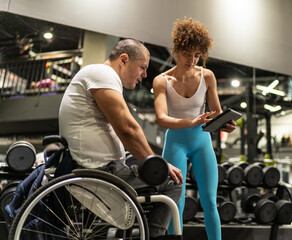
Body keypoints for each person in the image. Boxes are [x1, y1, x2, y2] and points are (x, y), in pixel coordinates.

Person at [59, 38, 183, 240]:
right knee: (171, 181)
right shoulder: (102, 74)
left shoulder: (102, 77)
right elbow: (128, 129)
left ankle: (146, 233)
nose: (144, 75)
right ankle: (154, 236)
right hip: (100, 171)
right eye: (142, 67)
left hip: (104, 167)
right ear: (124, 60)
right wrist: (157, 165)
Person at [153, 17, 236, 240]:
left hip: (202, 142)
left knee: (210, 201)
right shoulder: (161, 80)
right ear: (176, 51)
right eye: (188, 53)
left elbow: (216, 112)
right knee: (175, 203)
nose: (192, 59)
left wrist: (225, 124)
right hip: (175, 143)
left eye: (197, 54)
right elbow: (162, 119)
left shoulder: (207, 76)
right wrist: (192, 122)